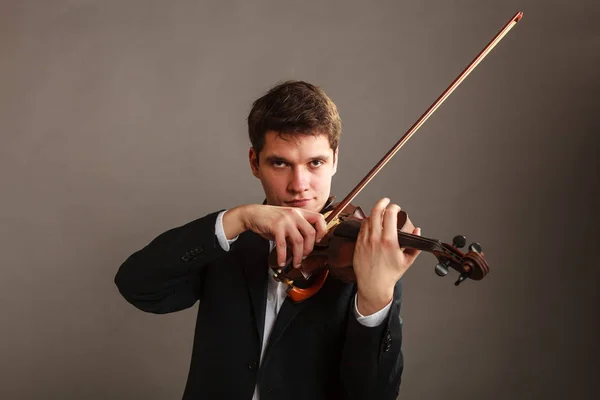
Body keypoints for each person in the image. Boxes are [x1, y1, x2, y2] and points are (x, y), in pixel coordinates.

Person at [114, 80, 422, 399]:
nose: (299, 184)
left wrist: (374, 299)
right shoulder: (231, 241)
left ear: (335, 160)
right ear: (254, 163)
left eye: (315, 163)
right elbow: (138, 286)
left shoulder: (365, 259)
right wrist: (237, 219)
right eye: (280, 163)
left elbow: (373, 395)